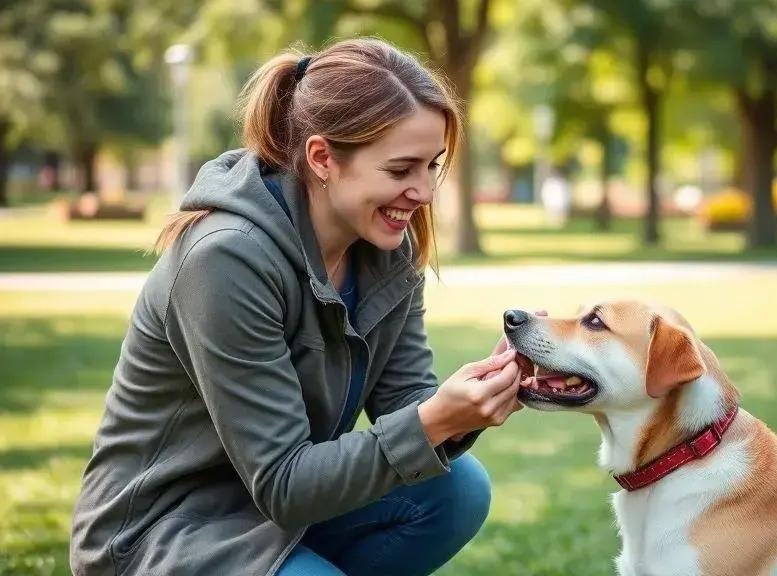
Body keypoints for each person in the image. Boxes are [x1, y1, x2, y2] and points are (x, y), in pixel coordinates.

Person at [70, 38, 527, 576]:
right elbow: (286, 483)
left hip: (278, 511)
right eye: (401, 169)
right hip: (164, 531)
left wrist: (477, 396)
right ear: (322, 158)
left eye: (433, 165)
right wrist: (432, 422)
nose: (424, 192)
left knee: (458, 490)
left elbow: (407, 401)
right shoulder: (226, 260)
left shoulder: (387, 251)